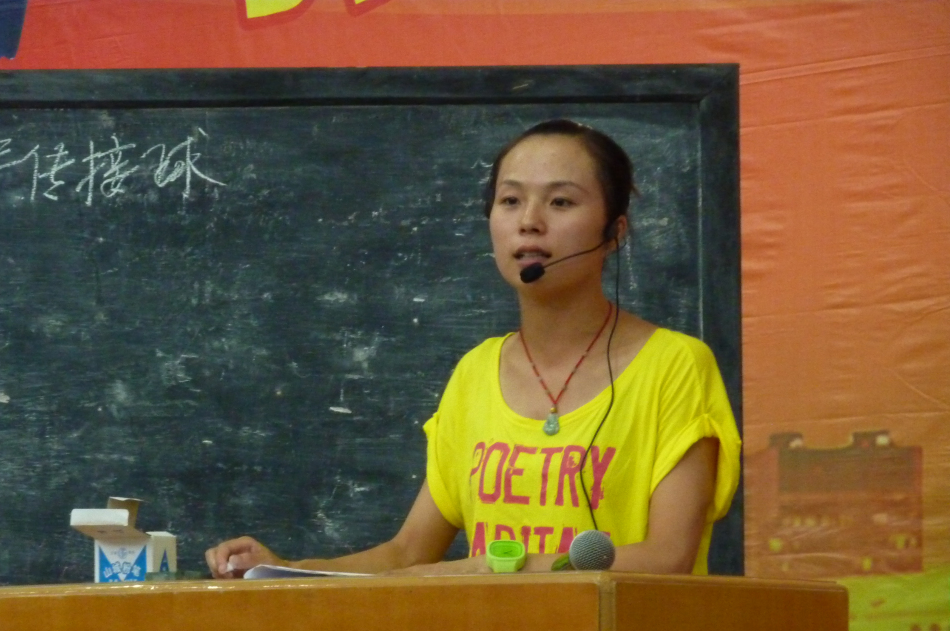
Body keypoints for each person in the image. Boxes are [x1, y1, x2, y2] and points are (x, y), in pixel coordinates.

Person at [206, 119, 740, 579]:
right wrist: (285, 569)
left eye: (560, 201)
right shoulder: (476, 372)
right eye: (510, 200)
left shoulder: (674, 365)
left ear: (615, 232)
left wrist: (497, 567)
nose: (529, 220)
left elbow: (669, 556)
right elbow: (409, 553)